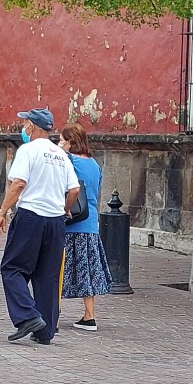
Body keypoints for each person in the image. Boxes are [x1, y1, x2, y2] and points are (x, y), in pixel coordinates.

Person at [0, 107, 80, 345]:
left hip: (31, 215)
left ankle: (28, 315)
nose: (24, 127)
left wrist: (2, 211)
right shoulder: (61, 154)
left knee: (12, 268)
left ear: (32, 126)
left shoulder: (28, 150)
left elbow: (19, 183)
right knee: (47, 275)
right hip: (55, 221)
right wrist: (64, 209)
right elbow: (74, 189)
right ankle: (45, 330)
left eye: (26, 123)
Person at [58, 122, 112, 331]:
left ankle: (53, 310)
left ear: (71, 142)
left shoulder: (68, 160)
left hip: (71, 222)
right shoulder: (95, 164)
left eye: (62, 140)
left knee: (58, 268)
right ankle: (89, 315)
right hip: (90, 224)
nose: (59, 143)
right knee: (87, 269)